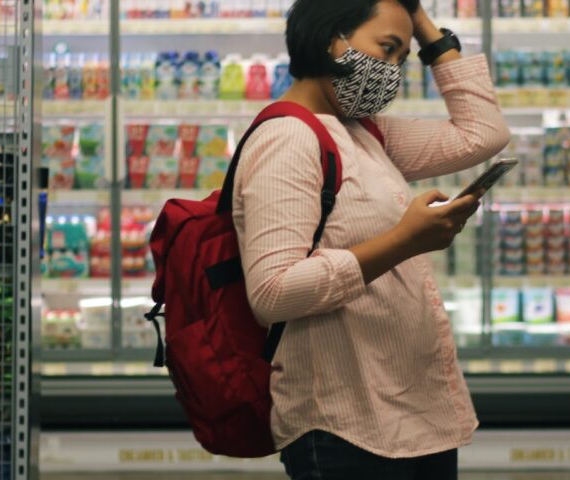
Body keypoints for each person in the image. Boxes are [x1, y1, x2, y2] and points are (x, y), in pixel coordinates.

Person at [231, 0, 510, 477]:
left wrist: (420, 21)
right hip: (346, 431)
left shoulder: (362, 133)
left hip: (408, 416)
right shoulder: (288, 139)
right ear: (332, 39)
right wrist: (405, 241)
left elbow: (484, 134)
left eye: (401, 59)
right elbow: (273, 292)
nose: (392, 72)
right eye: (386, 49)